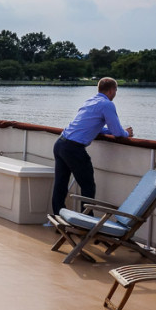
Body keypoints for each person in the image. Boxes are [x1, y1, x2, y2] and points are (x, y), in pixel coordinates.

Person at [51, 77, 133, 215]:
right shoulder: (107, 104)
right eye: (115, 91)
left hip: (61, 143)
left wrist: (111, 131)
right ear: (112, 90)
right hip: (73, 149)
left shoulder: (90, 101)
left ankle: (58, 218)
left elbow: (94, 126)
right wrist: (127, 133)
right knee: (88, 185)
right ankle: (86, 221)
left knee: (60, 184)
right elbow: (117, 132)